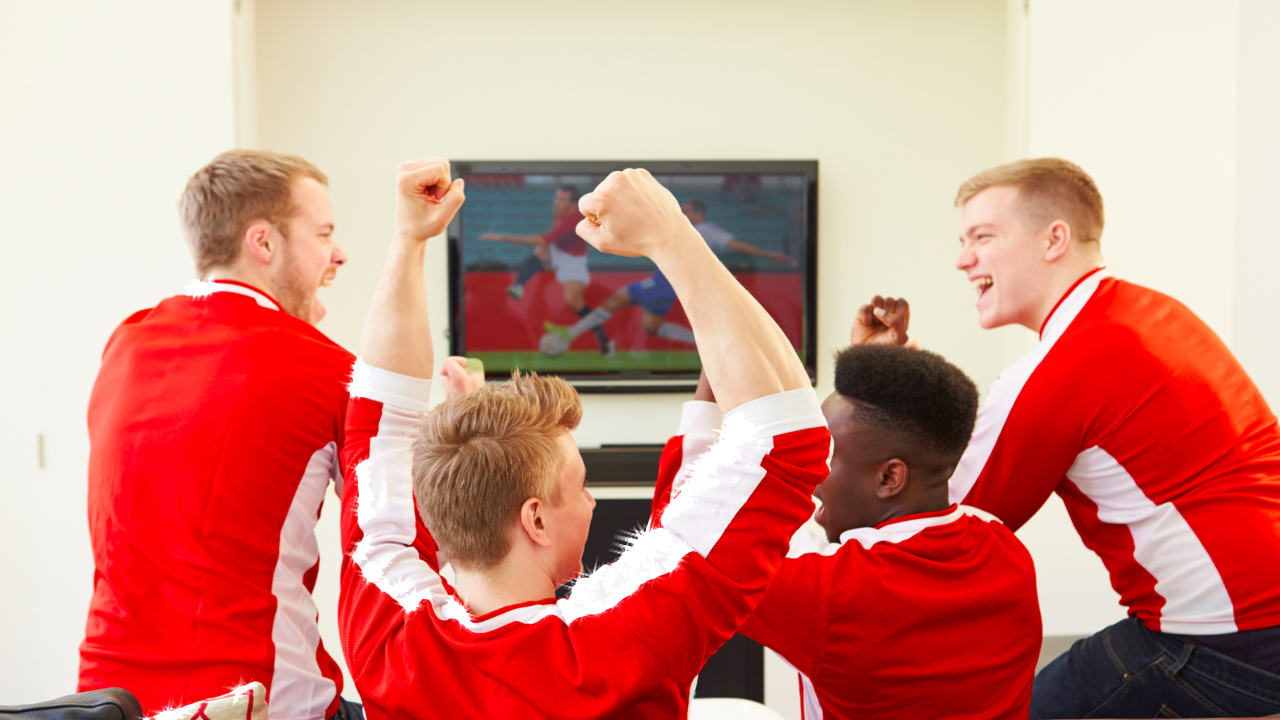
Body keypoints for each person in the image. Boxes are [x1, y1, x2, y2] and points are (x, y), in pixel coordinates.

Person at [337, 160, 830, 718]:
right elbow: (787, 443)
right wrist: (671, 234)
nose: (592, 501)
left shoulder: (388, 641)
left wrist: (409, 240)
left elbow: (378, 428)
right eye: (580, 485)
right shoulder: (620, 639)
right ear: (536, 520)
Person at [859, 158, 1280, 718]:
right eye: (963, 241)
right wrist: (899, 381)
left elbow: (933, 526)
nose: (962, 259)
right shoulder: (1151, 313)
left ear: (1054, 239)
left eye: (982, 237)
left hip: (1227, 644)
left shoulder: (1062, 366)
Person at [78, 150, 363, 719]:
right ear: (263, 242)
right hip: (257, 700)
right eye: (324, 234)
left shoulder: (125, 344)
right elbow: (393, 542)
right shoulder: (326, 365)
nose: (339, 254)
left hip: (106, 701)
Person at [650, 345, 1041, 720]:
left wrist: (712, 380)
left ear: (889, 478)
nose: (812, 474)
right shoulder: (1009, 553)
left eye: (825, 456)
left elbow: (679, 541)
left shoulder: (830, 595)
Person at [545, 198, 791, 348]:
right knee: (650, 326)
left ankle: (570, 334)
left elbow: (736, 245)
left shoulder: (706, 230)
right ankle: (707, 344)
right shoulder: (685, 229)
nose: (683, 214)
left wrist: (769, 255)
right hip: (664, 281)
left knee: (618, 300)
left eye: (687, 211)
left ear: (699, 214)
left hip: (665, 284)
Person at [479, 184, 613, 355]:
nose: (556, 203)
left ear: (572, 204)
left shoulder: (572, 222)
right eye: (557, 198)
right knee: (541, 250)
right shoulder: (562, 213)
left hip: (572, 260)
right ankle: (518, 285)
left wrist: (503, 237)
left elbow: (541, 239)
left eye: (562, 200)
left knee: (573, 302)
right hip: (560, 250)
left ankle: (604, 340)